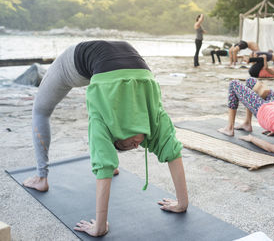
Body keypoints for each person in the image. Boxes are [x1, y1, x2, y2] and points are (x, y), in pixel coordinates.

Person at [23, 40, 189, 236]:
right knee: (41, 111)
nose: (136, 146)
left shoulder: (116, 119)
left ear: (115, 138)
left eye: (126, 146)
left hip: (118, 67)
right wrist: (181, 203)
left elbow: (169, 148)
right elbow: (170, 150)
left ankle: (42, 177)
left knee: (45, 113)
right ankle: (41, 177)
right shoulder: (149, 112)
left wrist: (99, 228)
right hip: (91, 66)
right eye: (132, 145)